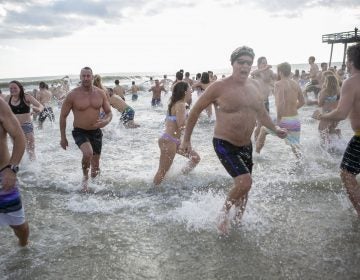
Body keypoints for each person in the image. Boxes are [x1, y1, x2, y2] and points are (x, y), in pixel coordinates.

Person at [181, 46, 287, 234]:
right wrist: (186, 140)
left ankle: (237, 223)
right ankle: (222, 215)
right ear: (233, 64)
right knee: (245, 182)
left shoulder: (254, 86)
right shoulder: (219, 87)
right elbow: (195, 110)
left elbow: (261, 113)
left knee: (244, 190)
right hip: (224, 143)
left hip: (246, 145)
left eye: (248, 63)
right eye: (241, 62)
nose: (245, 66)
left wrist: (275, 128)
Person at [314, 43, 360, 216]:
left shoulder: (351, 81)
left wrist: (321, 116)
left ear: (350, 62)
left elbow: (341, 113)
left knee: (347, 173)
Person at [60, 67, 112, 192]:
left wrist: (105, 121)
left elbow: (109, 112)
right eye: (83, 76)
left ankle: (96, 187)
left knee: (96, 167)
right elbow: (63, 116)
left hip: (96, 131)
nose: (86, 78)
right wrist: (63, 137)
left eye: (88, 76)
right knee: (88, 153)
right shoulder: (72, 95)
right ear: (80, 77)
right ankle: (85, 179)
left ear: (92, 77)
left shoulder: (100, 93)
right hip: (80, 131)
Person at [153, 81, 200, 185]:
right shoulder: (180, 104)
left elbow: (172, 123)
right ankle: (152, 193)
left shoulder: (176, 104)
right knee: (162, 171)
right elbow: (182, 125)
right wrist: (193, 117)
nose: (191, 92)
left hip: (174, 141)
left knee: (195, 158)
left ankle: (179, 178)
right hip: (169, 140)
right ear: (184, 92)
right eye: (189, 89)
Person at [255, 62, 305, 159]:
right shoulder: (295, 84)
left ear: (280, 72)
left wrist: (278, 119)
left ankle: (256, 156)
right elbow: (303, 102)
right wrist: (293, 109)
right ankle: (302, 166)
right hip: (295, 120)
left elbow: (280, 103)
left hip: (284, 119)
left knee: (263, 129)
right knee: (295, 147)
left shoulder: (278, 84)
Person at [0, 98, 29, 247]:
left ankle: (23, 245)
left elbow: (19, 136)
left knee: (19, 225)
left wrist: (12, 169)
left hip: (3, 177)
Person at [5, 81, 43, 161]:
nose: (12, 90)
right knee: (18, 149)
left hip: (26, 125)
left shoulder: (26, 97)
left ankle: (33, 168)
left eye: (15, 88)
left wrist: (38, 109)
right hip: (13, 127)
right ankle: (21, 167)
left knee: (30, 149)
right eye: (10, 88)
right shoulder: (8, 98)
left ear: (20, 88)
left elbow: (40, 105)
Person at [251, 56, 276, 140]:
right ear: (259, 64)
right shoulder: (258, 72)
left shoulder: (269, 72)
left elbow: (277, 78)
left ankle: (258, 140)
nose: (265, 64)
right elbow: (252, 73)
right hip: (258, 100)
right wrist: (264, 69)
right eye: (263, 63)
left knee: (265, 122)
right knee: (261, 123)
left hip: (266, 100)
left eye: (266, 62)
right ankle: (256, 141)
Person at [315, 74, 341, 147]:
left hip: (326, 115)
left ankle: (327, 149)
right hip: (335, 114)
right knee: (330, 130)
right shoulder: (338, 91)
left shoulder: (324, 91)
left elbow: (320, 104)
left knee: (322, 131)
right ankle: (337, 133)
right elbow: (339, 102)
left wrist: (318, 96)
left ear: (327, 82)